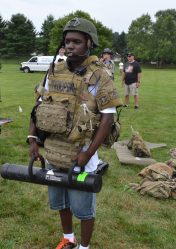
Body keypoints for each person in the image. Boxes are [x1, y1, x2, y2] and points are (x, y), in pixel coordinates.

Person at [28, 17, 122, 249]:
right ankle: (68, 239)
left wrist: (88, 154)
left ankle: (84, 246)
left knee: (82, 205)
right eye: (68, 41)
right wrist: (32, 140)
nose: (70, 46)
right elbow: (38, 106)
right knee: (61, 202)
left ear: (89, 43)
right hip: (54, 151)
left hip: (81, 154)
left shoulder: (100, 76)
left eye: (77, 41)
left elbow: (107, 118)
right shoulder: (55, 71)